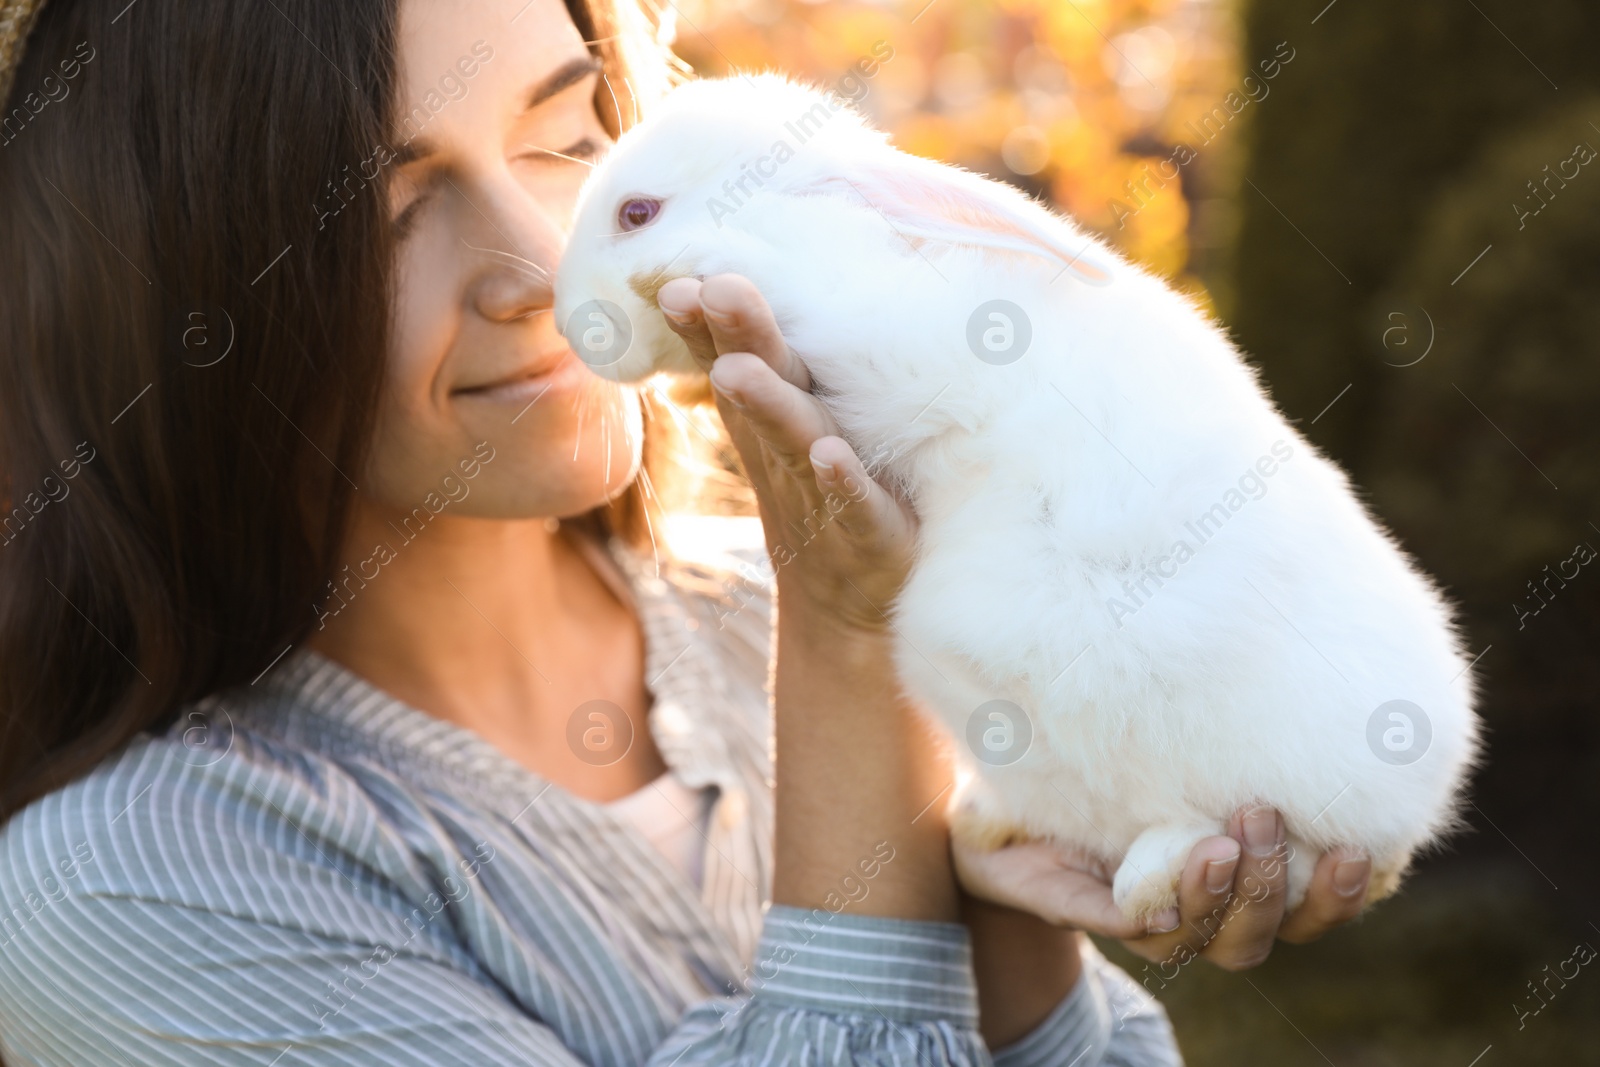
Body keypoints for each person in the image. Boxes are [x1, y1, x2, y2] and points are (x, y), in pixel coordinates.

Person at [0, 0, 1375, 1063]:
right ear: (187, 313)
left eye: (568, 136)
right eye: (395, 207)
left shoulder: (768, 607)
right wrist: (852, 656)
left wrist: (1003, 912)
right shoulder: (133, 889)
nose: (543, 265)